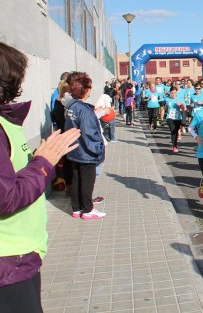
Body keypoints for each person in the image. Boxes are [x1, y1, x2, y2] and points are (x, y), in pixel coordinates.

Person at [0, 44, 81, 313]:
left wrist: (37, 159)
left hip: (18, 257)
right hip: (9, 261)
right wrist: (43, 162)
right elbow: (5, 197)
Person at [64, 72, 107, 220]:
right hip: (86, 152)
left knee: (76, 179)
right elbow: (90, 134)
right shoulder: (83, 110)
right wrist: (98, 150)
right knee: (87, 181)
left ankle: (77, 208)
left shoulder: (71, 105)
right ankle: (88, 209)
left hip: (74, 149)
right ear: (86, 89)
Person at [164, 87, 185, 153]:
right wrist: (165, 109)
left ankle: (175, 144)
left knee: (175, 131)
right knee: (173, 130)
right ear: (170, 93)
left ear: (176, 93)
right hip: (169, 118)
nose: (173, 94)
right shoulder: (167, 99)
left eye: (174, 93)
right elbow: (166, 108)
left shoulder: (180, 99)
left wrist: (181, 105)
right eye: (172, 93)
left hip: (178, 118)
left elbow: (184, 109)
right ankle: (174, 146)